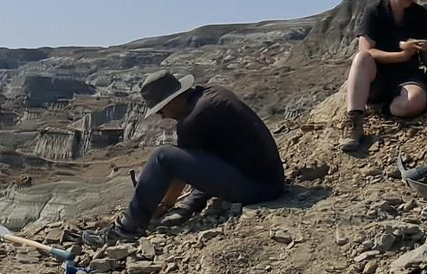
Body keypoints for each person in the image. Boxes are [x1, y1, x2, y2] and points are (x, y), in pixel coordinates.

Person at [92, 72, 286, 242]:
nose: (161, 116)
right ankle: (191, 204)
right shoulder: (210, 93)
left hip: (258, 189)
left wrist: (165, 204)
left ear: (171, 100)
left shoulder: (193, 118)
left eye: (160, 109)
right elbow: (205, 159)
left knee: (162, 156)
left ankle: (129, 227)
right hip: (270, 179)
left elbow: (180, 173)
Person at [338, 0, 427, 153]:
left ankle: (383, 109)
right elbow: (368, 51)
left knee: (413, 103)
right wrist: (402, 54)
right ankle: (354, 120)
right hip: (378, 75)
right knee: (361, 59)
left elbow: (426, 49)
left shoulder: (420, 15)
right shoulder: (374, 12)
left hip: (408, 75)